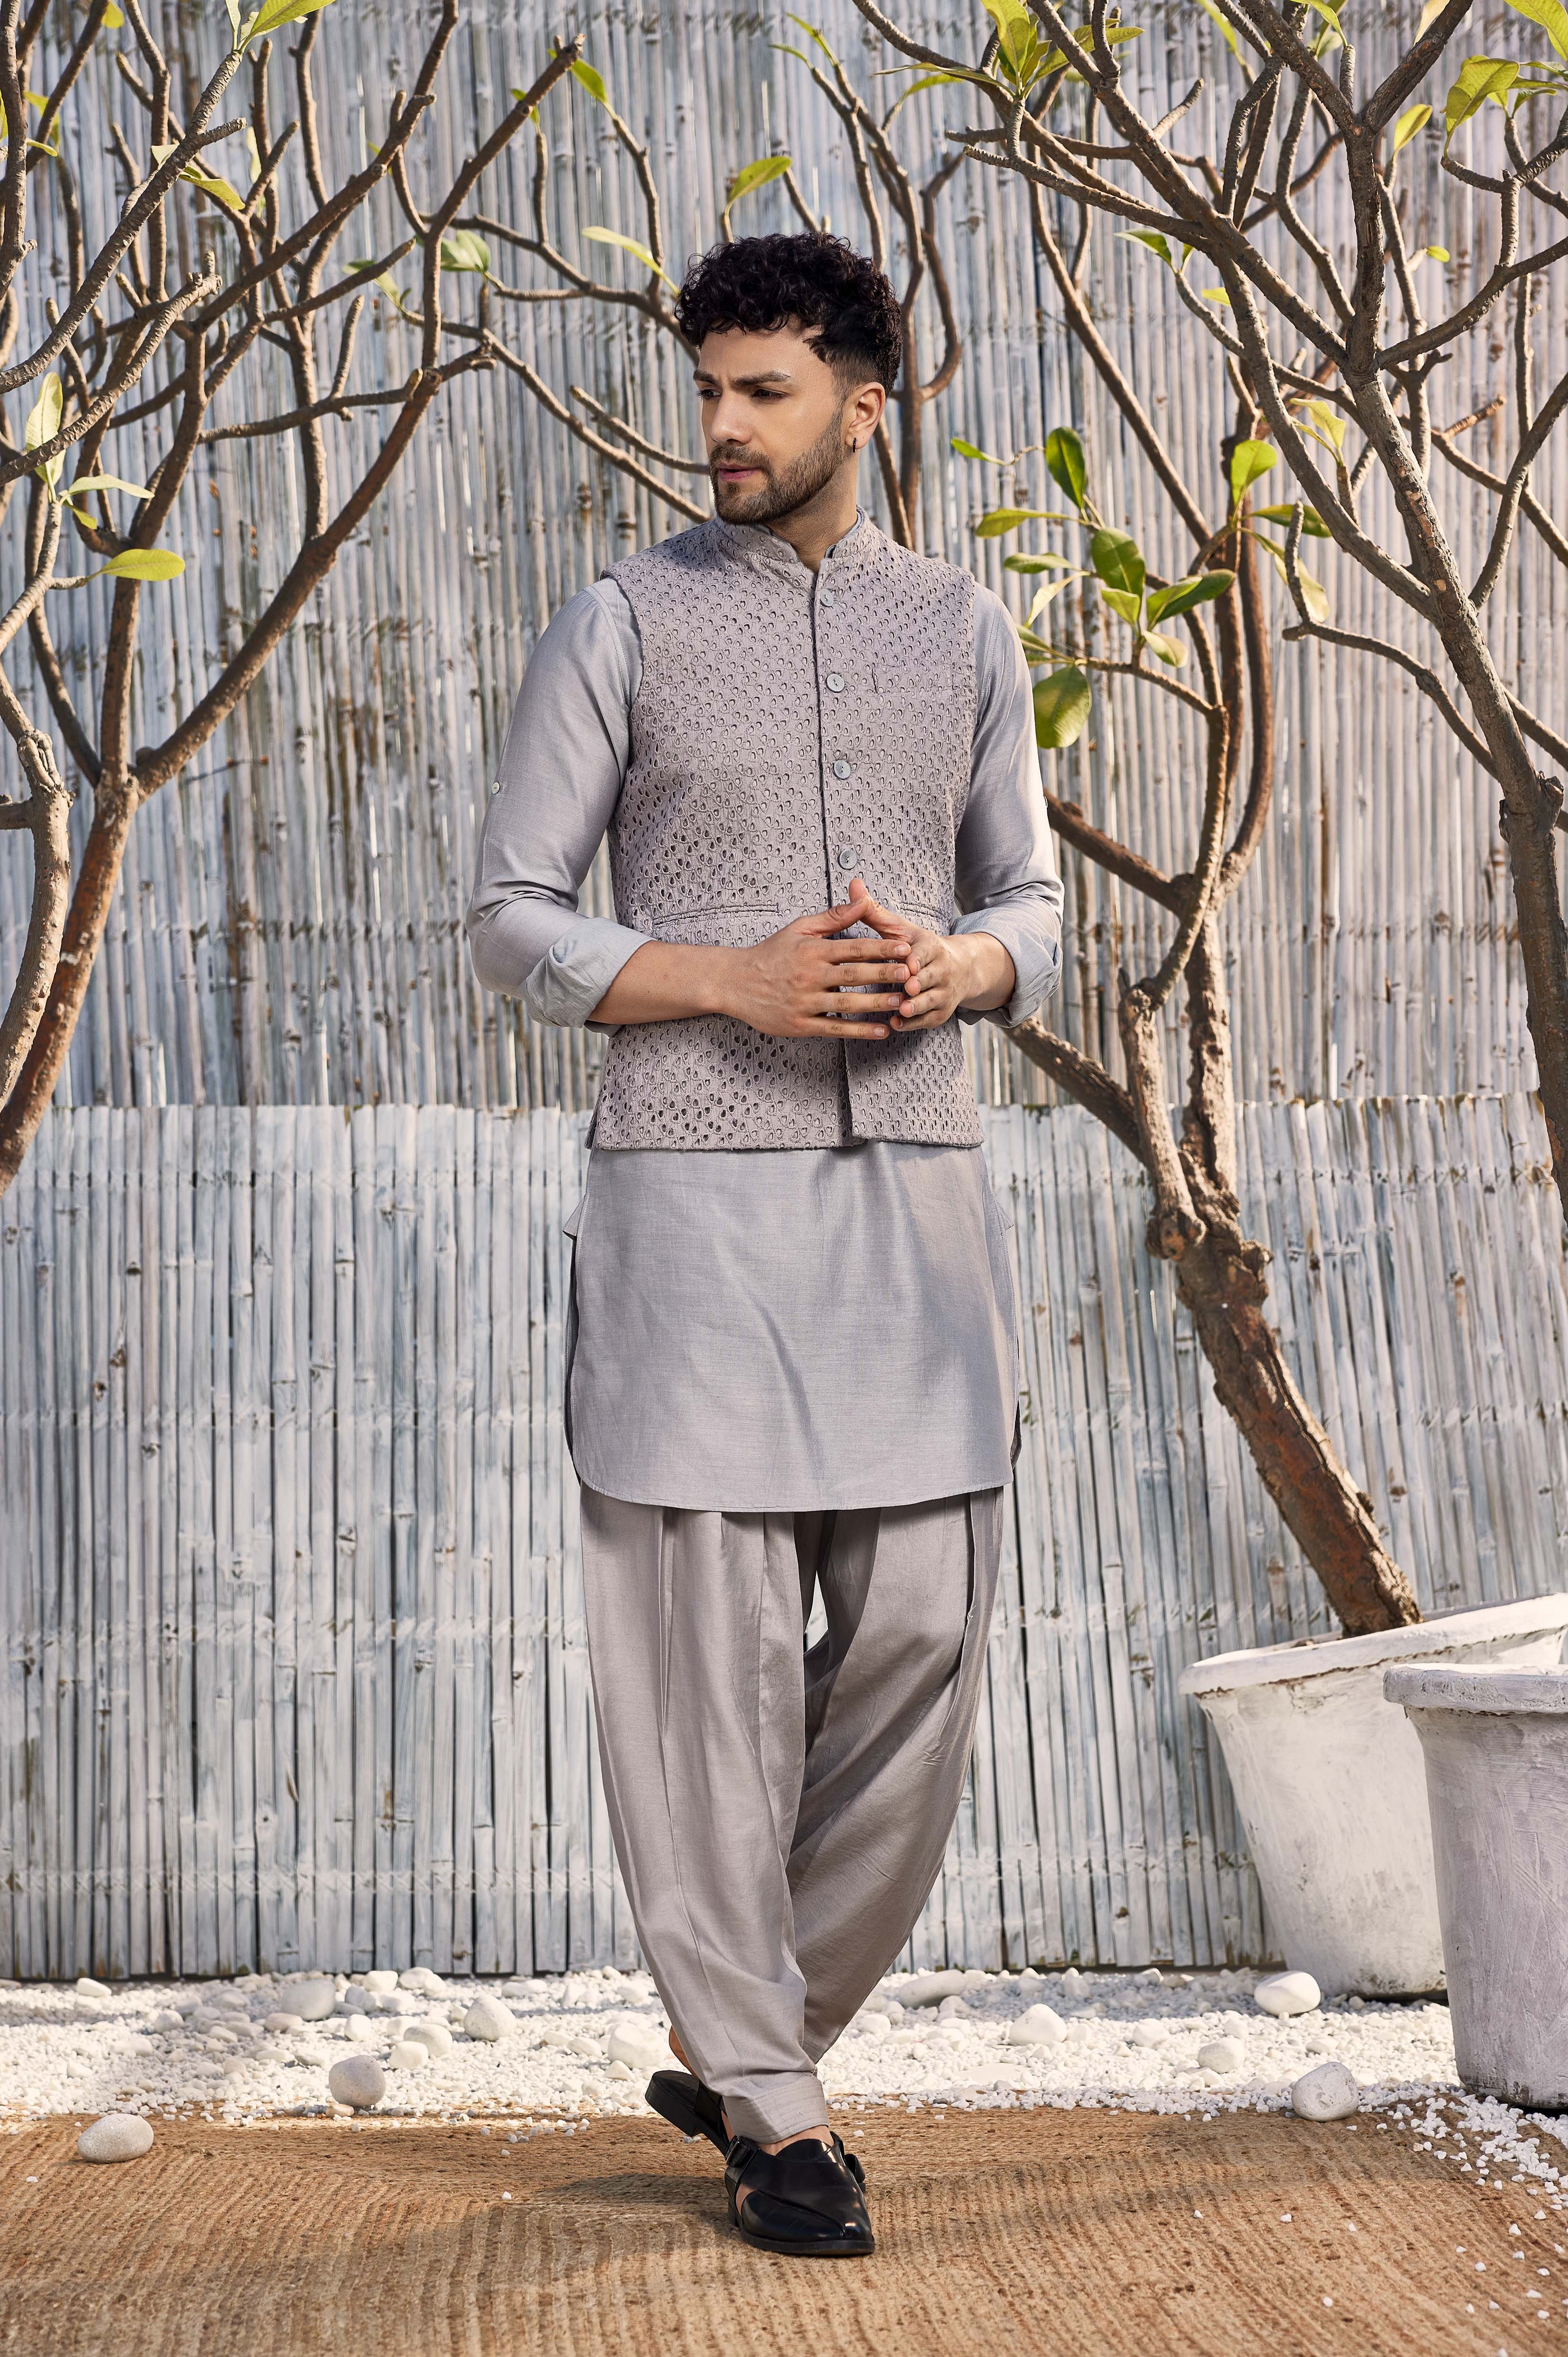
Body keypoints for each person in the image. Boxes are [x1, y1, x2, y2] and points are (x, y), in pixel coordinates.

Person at [466, 231, 1063, 2257]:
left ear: (864, 405)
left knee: (924, 1631)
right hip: (693, 1204)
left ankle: (742, 2037)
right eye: (708, 388)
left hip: (914, 1194)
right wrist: (730, 975)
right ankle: (782, 2113)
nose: (720, 425)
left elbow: (1034, 901)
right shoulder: (624, 620)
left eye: (763, 391)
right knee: (707, 1682)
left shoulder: (960, 628)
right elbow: (512, 917)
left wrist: (967, 963)